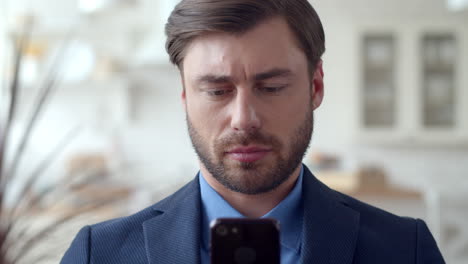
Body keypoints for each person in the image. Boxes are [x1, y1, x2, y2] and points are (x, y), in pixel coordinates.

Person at [61, 0, 445, 263]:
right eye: (216, 91)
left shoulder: (404, 249)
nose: (244, 118)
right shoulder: (99, 253)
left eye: (272, 87)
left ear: (315, 87)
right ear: (184, 95)